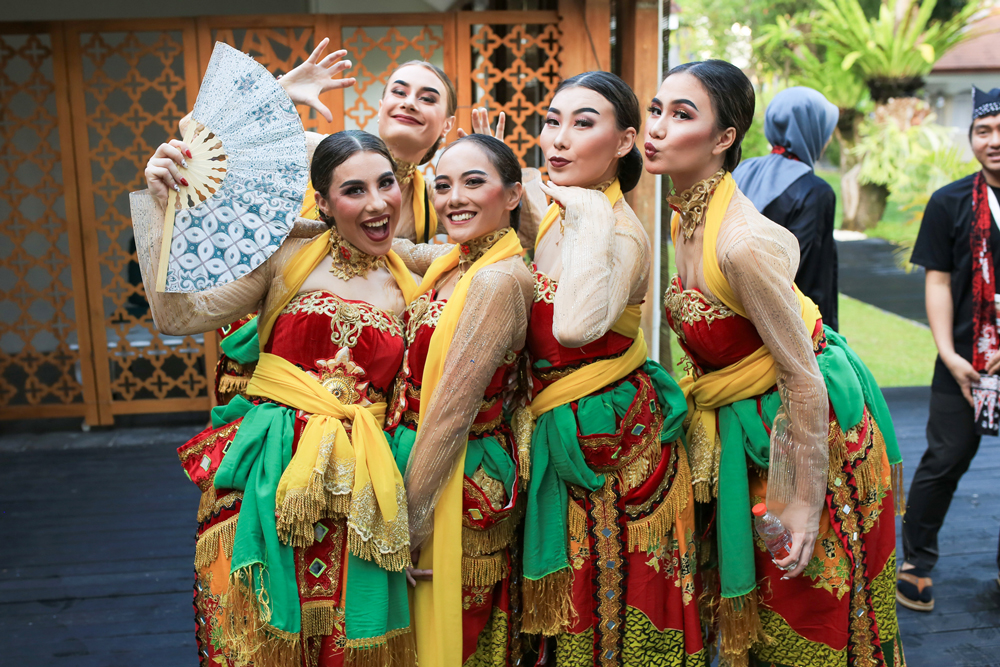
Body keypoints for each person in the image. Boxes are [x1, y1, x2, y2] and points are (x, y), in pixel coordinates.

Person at [645, 60, 905, 666]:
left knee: (807, 614)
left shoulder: (738, 243)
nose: (657, 127)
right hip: (747, 422)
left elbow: (802, 378)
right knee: (759, 619)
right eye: (656, 109)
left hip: (802, 432)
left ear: (723, 139)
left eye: (682, 115)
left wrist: (805, 500)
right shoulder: (686, 214)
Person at [138, 130, 422, 666]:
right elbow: (177, 318)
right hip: (266, 472)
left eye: (386, 183)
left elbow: (490, 246)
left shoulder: (414, 270)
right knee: (254, 640)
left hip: (359, 494)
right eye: (354, 190)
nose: (379, 202)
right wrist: (160, 211)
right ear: (322, 201)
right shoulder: (285, 252)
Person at [515, 71, 705, 667]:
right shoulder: (552, 206)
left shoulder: (621, 232)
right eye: (552, 122)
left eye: (584, 123)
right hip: (552, 422)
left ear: (625, 142)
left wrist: (590, 214)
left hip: (614, 444)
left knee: (612, 608)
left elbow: (575, 326)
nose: (560, 140)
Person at [211, 49, 458, 406]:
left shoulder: (433, 201)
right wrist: (276, 93)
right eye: (399, 92)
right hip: (269, 356)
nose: (410, 103)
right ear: (381, 105)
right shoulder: (318, 152)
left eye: (427, 98)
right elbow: (201, 138)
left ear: (447, 124)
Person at [386, 134, 532, 667]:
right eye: (443, 185)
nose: (454, 198)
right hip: (422, 462)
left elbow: (450, 412)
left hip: (457, 478)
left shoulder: (496, 280)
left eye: (474, 182)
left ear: (513, 195)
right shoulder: (454, 260)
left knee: (452, 635)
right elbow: (383, 243)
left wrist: (410, 522)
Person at [899, 86, 1000, 612]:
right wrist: (950, 354)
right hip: (963, 359)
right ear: (971, 138)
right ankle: (915, 562)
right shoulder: (950, 202)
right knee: (946, 457)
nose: (993, 140)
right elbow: (937, 282)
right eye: (984, 130)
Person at [733, 87, 841, 331]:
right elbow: (811, 277)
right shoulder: (815, 191)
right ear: (810, 128)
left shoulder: (743, 170)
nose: (829, 138)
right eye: (826, 128)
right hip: (792, 329)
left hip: (737, 320)